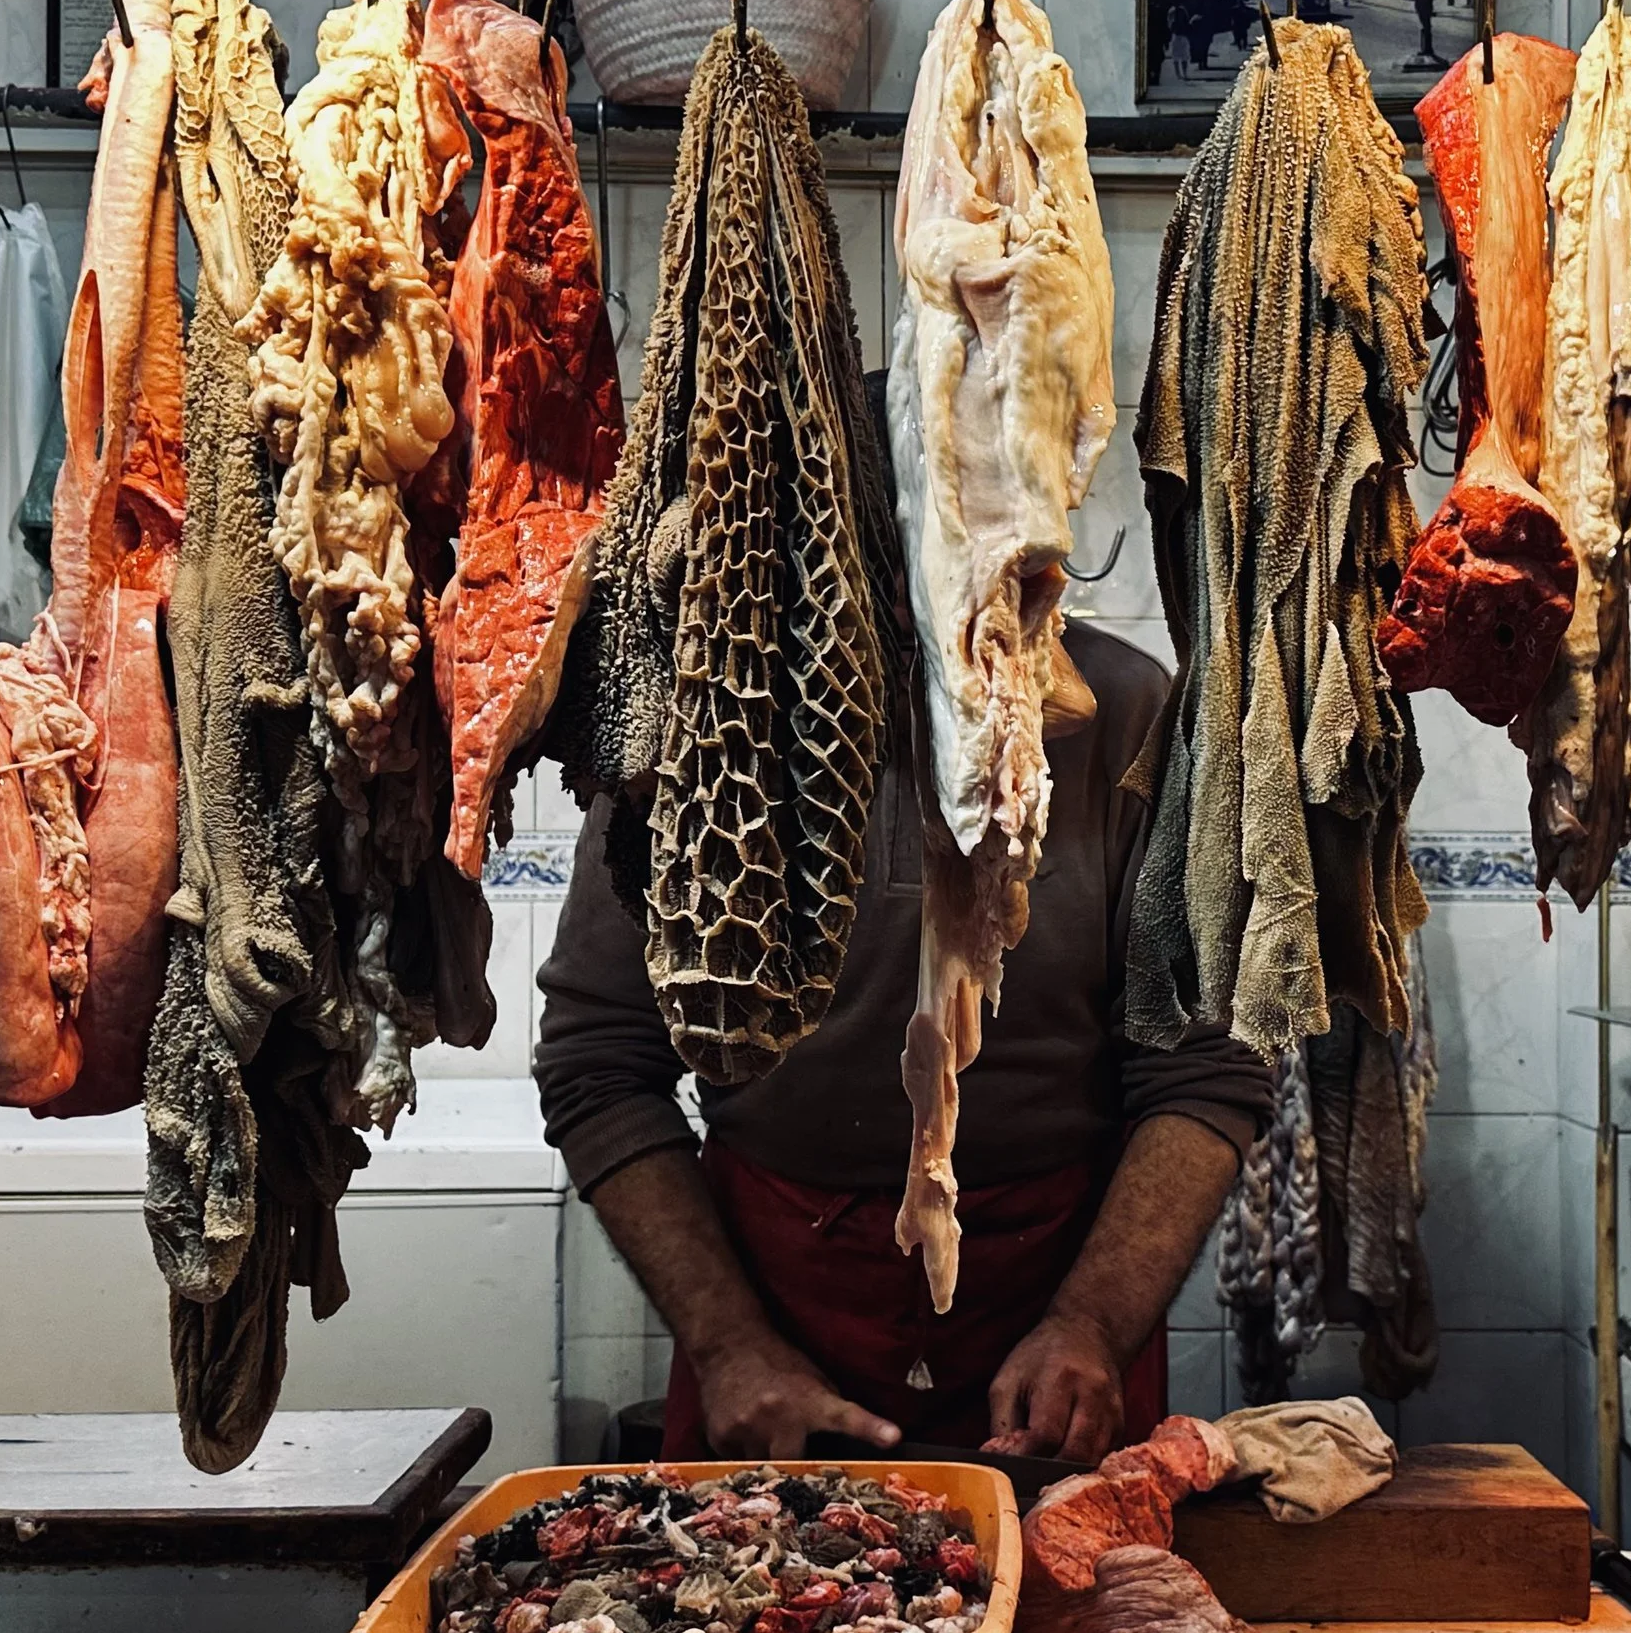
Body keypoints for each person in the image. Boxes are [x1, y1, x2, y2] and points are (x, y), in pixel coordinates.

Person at [535, 625, 1274, 1465]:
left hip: (1059, 1320)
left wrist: (1095, 1322)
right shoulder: (699, 715)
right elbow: (597, 1059)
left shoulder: (1132, 710)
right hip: (773, 1318)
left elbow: (1207, 1066)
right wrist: (727, 1342)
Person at [1167, 2, 1194, 80]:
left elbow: (1169, 23)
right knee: (1180, 55)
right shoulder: (1175, 11)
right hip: (1178, 35)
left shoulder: (1177, 10)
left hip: (1180, 35)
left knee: (1181, 55)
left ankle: (1181, 73)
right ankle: (1180, 73)